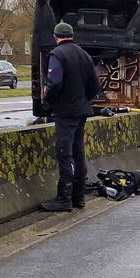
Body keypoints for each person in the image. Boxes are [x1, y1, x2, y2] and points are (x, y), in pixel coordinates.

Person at [40, 22, 100, 212]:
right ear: (72, 35)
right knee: (78, 152)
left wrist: (47, 100)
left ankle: (64, 198)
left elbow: (55, 82)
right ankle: (79, 196)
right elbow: (95, 86)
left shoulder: (57, 55)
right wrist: (84, 99)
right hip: (81, 110)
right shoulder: (84, 55)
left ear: (55, 37)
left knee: (64, 153)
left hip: (65, 112)